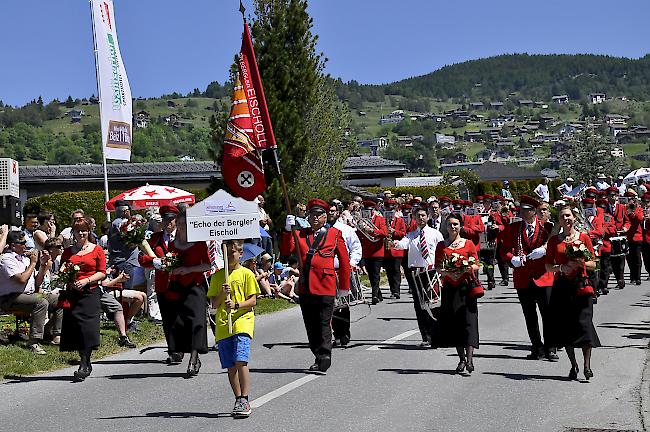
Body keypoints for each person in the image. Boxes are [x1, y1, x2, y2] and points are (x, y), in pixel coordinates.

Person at [284, 198, 351, 374]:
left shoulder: (334, 234)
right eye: (312, 214)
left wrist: (344, 285)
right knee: (311, 324)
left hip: (325, 285)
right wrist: (286, 231)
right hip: (306, 286)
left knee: (324, 322)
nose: (314, 218)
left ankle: (325, 356)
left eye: (319, 214)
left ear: (325, 217)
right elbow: (286, 250)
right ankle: (317, 354)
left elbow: (344, 261)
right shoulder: (299, 234)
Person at [144, 209, 211, 375]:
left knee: (197, 322)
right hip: (178, 287)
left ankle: (194, 358)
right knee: (182, 323)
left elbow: (208, 265)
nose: (182, 227)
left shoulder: (199, 242)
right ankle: (187, 352)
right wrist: (168, 266)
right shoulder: (174, 244)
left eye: (185, 224)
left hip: (196, 285)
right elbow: (170, 262)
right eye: (180, 224)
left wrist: (188, 269)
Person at [545, 204, 601, 380]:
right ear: (559, 220)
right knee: (566, 327)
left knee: (585, 325)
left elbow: (594, 263)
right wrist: (562, 267)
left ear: (574, 218)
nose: (566, 219)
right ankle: (573, 365)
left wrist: (580, 263)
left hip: (582, 287)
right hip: (562, 288)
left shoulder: (584, 238)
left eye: (568, 216)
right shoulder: (554, 241)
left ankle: (587, 366)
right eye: (562, 217)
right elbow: (547, 266)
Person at [500, 195, 557, 361]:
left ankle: (551, 347)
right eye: (521, 210)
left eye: (526, 210)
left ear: (534, 212)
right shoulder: (513, 228)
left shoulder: (547, 228)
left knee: (548, 315)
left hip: (543, 277)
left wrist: (546, 250)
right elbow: (504, 250)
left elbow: (555, 246)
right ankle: (537, 347)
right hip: (523, 278)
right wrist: (512, 259)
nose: (522, 213)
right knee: (530, 316)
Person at [208, 239, 259, 418]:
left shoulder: (246, 274)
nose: (230, 256)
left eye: (233, 253)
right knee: (230, 366)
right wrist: (223, 292)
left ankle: (245, 397)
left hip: (242, 321)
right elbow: (213, 304)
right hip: (223, 324)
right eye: (226, 253)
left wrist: (237, 304)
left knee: (240, 360)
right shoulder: (218, 276)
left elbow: (253, 300)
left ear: (240, 254)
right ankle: (237, 398)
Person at [59, 219, 107, 381]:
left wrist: (87, 281)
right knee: (77, 328)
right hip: (73, 293)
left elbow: (102, 272)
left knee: (88, 328)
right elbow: (63, 271)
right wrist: (70, 281)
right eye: (78, 230)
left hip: (90, 292)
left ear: (89, 231)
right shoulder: (68, 252)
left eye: (84, 230)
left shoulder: (97, 250)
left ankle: (85, 362)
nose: (81, 234)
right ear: (73, 232)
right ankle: (84, 361)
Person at [434, 213, 481, 374]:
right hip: (450, 289)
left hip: (466, 288)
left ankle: (469, 360)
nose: (452, 227)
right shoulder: (442, 245)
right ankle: (461, 358)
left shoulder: (468, 243)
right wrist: (449, 273)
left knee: (469, 323)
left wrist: (465, 269)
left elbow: (476, 264)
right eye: (449, 224)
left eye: (455, 224)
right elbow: (438, 266)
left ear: (460, 226)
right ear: (445, 227)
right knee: (454, 324)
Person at [394, 205, 444, 348]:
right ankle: (426, 336)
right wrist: (396, 244)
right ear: (414, 218)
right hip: (416, 274)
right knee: (420, 305)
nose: (421, 218)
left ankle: (437, 335)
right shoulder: (411, 235)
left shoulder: (435, 234)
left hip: (432, 272)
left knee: (434, 303)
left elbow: (441, 252)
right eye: (418, 216)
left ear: (427, 217)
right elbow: (403, 244)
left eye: (423, 215)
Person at [138, 205, 183, 363]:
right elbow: (141, 258)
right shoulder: (155, 238)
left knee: (180, 317)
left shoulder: (183, 236)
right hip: (163, 284)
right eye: (165, 219)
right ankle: (173, 351)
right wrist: (155, 261)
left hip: (181, 283)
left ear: (176, 220)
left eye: (171, 219)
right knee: (168, 318)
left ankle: (181, 344)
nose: (168, 223)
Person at [0, 231, 52, 354]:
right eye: (23, 243)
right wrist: (33, 263)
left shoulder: (25, 259)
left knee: (61, 300)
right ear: (13, 246)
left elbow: (37, 284)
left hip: (28, 295)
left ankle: (52, 333)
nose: (26, 246)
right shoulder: (6, 259)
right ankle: (33, 341)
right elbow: (22, 279)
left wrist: (43, 265)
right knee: (41, 302)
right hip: (10, 298)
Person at [327, 202, 362, 347]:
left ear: (339, 213)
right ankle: (336, 335)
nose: (330, 213)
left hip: (342, 270)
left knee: (343, 304)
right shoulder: (320, 230)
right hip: (326, 272)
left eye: (333, 211)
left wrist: (352, 262)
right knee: (330, 304)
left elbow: (356, 247)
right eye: (328, 211)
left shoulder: (346, 230)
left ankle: (344, 333)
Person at [358, 200, 388, 304]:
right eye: (366, 211)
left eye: (369, 211)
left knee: (375, 273)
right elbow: (359, 235)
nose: (368, 214)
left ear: (373, 211)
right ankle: (378, 293)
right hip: (367, 251)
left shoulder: (379, 219)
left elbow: (385, 233)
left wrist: (371, 231)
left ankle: (374, 295)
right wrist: (360, 228)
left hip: (378, 251)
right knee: (371, 274)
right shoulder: (362, 221)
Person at [605, 186, 630, 289]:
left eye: (615, 195)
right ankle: (615, 278)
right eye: (611, 195)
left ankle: (620, 278)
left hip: (620, 237)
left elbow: (627, 221)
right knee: (610, 260)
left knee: (620, 259)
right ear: (607, 196)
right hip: (608, 237)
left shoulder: (622, 207)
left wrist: (625, 228)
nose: (613, 197)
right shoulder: (604, 207)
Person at [382, 199, 406, 299]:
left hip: (397, 250)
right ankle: (392, 290)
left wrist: (394, 231)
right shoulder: (383, 220)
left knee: (396, 270)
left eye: (392, 209)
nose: (390, 211)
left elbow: (403, 233)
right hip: (386, 250)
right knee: (389, 271)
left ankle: (397, 291)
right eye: (388, 209)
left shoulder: (400, 220)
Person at [624, 192, 643, 285]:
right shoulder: (625, 209)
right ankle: (632, 277)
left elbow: (639, 218)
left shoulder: (639, 209)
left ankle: (638, 277)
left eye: (632, 199)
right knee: (629, 258)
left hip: (637, 236)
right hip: (628, 236)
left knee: (637, 258)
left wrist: (633, 210)